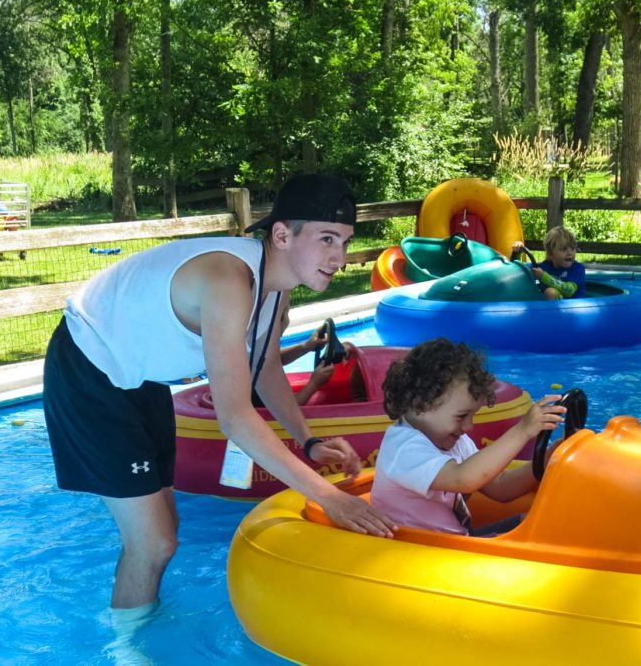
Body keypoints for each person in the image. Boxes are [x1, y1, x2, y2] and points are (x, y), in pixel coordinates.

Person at [43, 173, 396, 615]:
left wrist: (310, 441)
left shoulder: (274, 287)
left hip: (140, 376)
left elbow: (264, 367)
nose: (339, 257)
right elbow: (234, 417)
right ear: (283, 235)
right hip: (89, 369)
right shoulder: (230, 279)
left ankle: (138, 623)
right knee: (154, 543)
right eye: (327, 239)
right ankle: (125, 649)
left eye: (344, 242)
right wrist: (327, 497)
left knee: (165, 530)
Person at [370, 338, 565, 536]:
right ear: (420, 404)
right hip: (419, 550)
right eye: (461, 416)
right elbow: (462, 479)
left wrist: (546, 458)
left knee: (534, 527)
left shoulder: (456, 442)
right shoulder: (403, 447)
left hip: (456, 542)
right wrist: (522, 431)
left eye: (472, 416)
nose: (469, 426)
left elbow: (501, 487)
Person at [516, 226, 586, 299]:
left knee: (550, 293)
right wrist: (518, 252)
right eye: (564, 249)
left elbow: (569, 290)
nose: (570, 253)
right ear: (551, 254)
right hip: (554, 306)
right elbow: (522, 270)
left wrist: (544, 276)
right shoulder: (546, 266)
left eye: (572, 248)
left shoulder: (578, 268)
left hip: (574, 307)